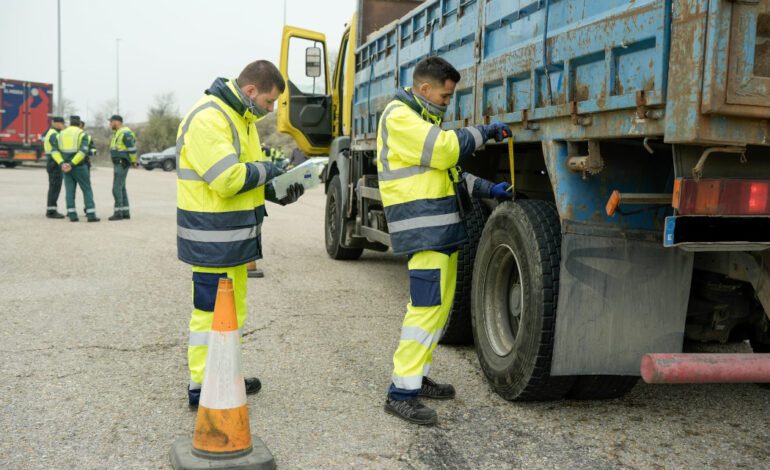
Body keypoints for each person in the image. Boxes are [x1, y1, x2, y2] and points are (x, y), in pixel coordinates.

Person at [378, 56, 513, 425]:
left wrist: (488, 189)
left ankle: (416, 377)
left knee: (438, 308)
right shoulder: (399, 116)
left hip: (440, 228)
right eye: (444, 95)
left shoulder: (423, 119)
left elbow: (451, 173)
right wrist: (484, 133)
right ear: (424, 89)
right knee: (424, 310)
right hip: (423, 230)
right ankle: (400, 392)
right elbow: (445, 151)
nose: (446, 102)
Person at [176, 60, 306, 408]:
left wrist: (278, 189)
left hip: (233, 235)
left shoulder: (240, 118)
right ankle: (202, 386)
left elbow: (247, 179)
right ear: (251, 91)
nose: (270, 110)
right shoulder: (209, 117)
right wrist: (267, 169)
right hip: (211, 237)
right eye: (268, 102)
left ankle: (224, 374)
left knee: (233, 312)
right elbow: (227, 178)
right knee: (209, 314)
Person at [51, 115, 99, 222]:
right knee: (86, 189)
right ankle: (91, 215)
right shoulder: (82, 134)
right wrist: (72, 164)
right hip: (79, 167)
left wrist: (62, 163)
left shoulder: (60, 134)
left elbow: (54, 151)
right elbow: (82, 152)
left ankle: (72, 215)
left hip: (65, 168)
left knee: (69, 191)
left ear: (70, 122)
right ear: (79, 124)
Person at [108, 115, 137, 221]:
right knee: (121, 188)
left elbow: (132, 149)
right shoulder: (118, 133)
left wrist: (134, 161)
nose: (110, 124)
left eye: (111, 122)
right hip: (118, 163)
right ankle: (125, 212)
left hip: (122, 163)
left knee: (116, 188)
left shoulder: (125, 133)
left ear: (117, 122)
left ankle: (118, 213)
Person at [42, 116, 65, 218]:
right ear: (56, 123)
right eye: (62, 124)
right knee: (55, 187)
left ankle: (51, 210)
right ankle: (51, 211)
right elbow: (59, 148)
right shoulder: (54, 134)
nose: (63, 126)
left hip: (52, 162)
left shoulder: (51, 132)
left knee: (54, 187)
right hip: (54, 162)